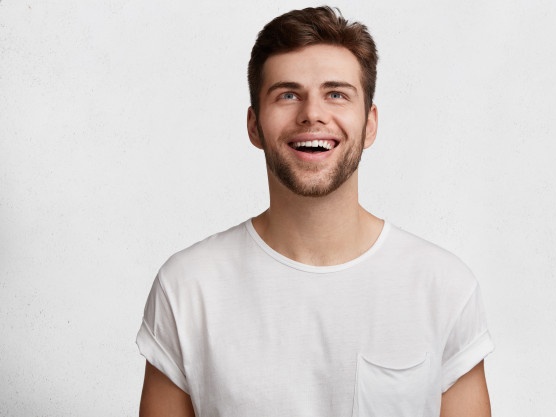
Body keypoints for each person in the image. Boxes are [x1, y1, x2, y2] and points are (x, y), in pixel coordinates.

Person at [137, 6, 494, 417]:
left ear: (369, 124)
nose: (312, 114)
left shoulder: (443, 287)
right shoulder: (188, 287)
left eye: (336, 94)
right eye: (287, 94)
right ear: (254, 125)